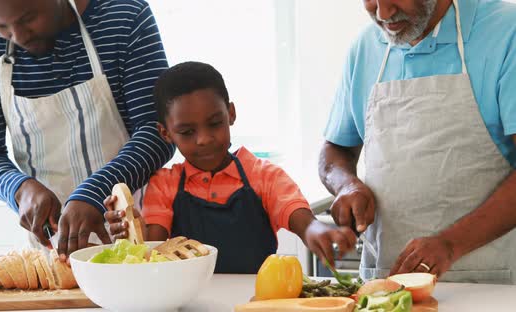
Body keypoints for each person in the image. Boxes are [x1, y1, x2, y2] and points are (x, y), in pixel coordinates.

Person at [0, 0, 174, 260]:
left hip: (139, 237)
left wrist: (95, 191)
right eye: (1, 26)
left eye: (28, 18)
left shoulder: (124, 18)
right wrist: (20, 189)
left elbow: (158, 132)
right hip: (53, 250)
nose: (18, 37)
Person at [319, 0, 516, 284]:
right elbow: (336, 148)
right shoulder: (365, 47)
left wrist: (450, 244)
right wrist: (346, 184)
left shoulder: (505, 32)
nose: (383, 13)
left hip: (489, 286)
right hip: (386, 285)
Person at [103, 61, 357, 273]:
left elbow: (298, 215)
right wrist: (131, 234)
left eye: (214, 123)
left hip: (257, 303)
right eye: (187, 132)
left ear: (231, 114)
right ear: (166, 133)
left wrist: (315, 230)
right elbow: (154, 249)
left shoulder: (263, 175)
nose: (203, 139)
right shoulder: (165, 184)